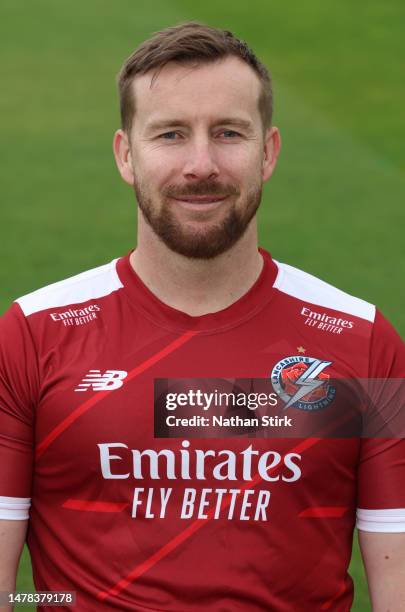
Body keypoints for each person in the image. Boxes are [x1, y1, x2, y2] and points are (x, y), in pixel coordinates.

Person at [1, 21, 405, 612]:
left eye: (228, 133)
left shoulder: (364, 343)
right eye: (169, 134)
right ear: (126, 155)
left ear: (267, 152)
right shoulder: (31, 336)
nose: (201, 164)